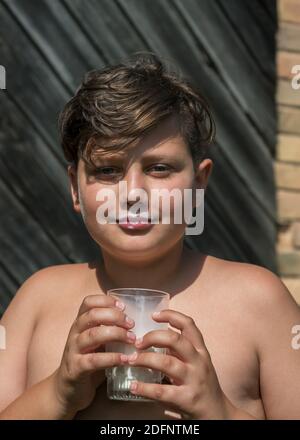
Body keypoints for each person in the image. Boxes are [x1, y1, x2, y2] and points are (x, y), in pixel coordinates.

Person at [0, 52, 299, 420]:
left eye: (159, 168)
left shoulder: (258, 301)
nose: (133, 193)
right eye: (107, 170)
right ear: (74, 189)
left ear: (199, 184)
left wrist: (219, 410)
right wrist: (58, 393)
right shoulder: (38, 300)